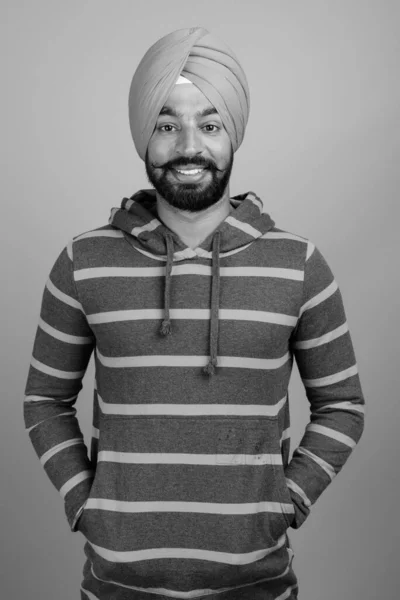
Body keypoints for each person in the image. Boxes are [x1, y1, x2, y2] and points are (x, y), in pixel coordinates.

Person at [24, 26, 365, 600]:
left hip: (258, 584)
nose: (188, 145)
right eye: (166, 124)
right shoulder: (82, 261)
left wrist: (288, 501)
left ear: (233, 133)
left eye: (209, 124)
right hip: (115, 585)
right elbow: (44, 400)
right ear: (143, 136)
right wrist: (87, 503)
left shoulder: (299, 264)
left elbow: (343, 405)